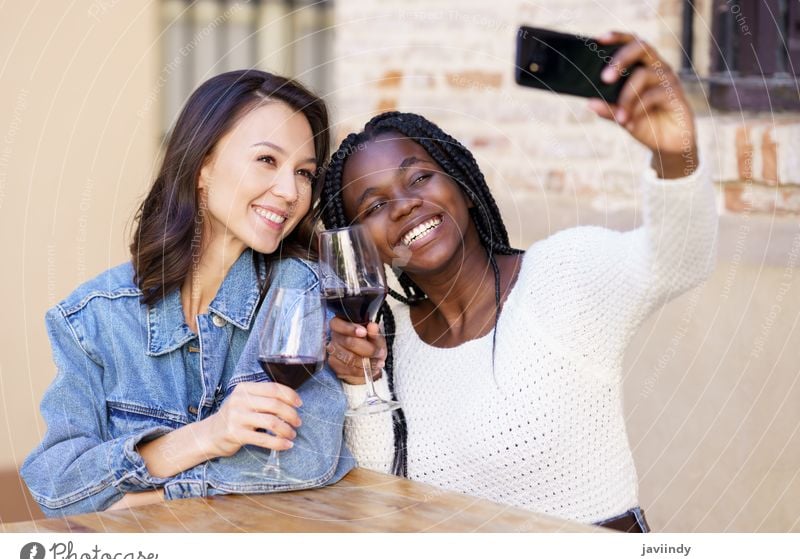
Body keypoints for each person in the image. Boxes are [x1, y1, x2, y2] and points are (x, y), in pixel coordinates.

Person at [320, 33, 718, 531]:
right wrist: (361, 383)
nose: (403, 205)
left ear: (461, 185)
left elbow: (680, 260)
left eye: (419, 177)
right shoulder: (385, 335)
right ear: (362, 243)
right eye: (375, 206)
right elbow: (378, 499)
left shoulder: (562, 274)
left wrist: (676, 155)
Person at [21, 70, 354, 517]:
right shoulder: (92, 318)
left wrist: (152, 498)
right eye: (267, 161)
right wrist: (207, 437)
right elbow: (58, 486)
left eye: (304, 172)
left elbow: (309, 455)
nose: (291, 191)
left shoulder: (298, 289)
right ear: (202, 166)